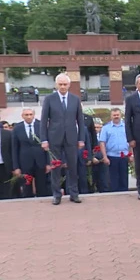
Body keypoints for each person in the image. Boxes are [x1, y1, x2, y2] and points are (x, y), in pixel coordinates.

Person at [39, 73, 86, 205]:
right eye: (60, 84)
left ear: (69, 85)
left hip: (71, 138)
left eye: (65, 84)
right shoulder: (49, 99)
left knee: (73, 167)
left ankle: (74, 194)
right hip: (54, 138)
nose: (63, 87)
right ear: (56, 85)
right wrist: (44, 139)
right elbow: (44, 121)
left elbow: (80, 121)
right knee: (55, 168)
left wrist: (81, 139)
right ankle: (56, 195)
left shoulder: (75, 99)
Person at [11, 109, 50, 198]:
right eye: (26, 114)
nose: (28, 116)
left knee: (42, 188)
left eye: (30, 114)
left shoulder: (41, 126)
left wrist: (48, 163)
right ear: (22, 116)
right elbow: (14, 148)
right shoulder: (17, 128)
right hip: (24, 162)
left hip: (41, 161)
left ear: (34, 115)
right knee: (26, 188)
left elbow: (47, 145)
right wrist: (16, 167)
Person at [99, 109, 131, 192]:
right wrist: (105, 157)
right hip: (112, 157)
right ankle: (116, 198)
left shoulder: (126, 127)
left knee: (124, 179)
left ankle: (125, 197)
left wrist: (132, 154)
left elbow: (131, 141)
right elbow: (102, 143)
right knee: (113, 180)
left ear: (121, 115)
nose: (116, 116)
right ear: (111, 116)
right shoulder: (106, 128)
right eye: (114, 115)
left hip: (124, 156)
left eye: (117, 115)